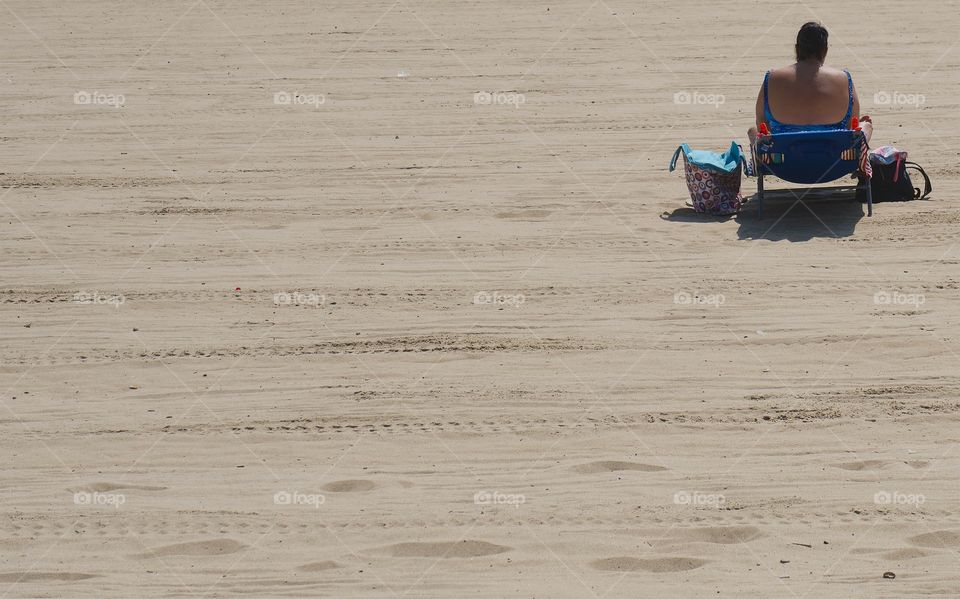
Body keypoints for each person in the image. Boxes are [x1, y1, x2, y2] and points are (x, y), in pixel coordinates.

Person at [748, 22, 872, 145]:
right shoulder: (844, 78)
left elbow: (761, 124)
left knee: (752, 131)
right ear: (825, 51)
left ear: (797, 48)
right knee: (865, 125)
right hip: (834, 157)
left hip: (783, 159)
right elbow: (851, 127)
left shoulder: (772, 78)